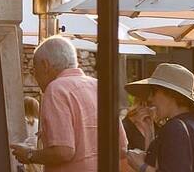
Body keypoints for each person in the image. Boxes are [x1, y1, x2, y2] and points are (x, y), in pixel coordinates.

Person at [10, 35, 128, 170]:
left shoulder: (56, 89)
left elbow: (63, 152)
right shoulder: (99, 86)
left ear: (45, 65)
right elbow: (122, 148)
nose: (35, 76)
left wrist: (30, 155)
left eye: (34, 70)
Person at [125, 63, 194, 172]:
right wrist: (149, 132)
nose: (150, 98)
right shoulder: (193, 125)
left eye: (154, 91)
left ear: (172, 94)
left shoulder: (176, 127)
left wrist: (141, 166)